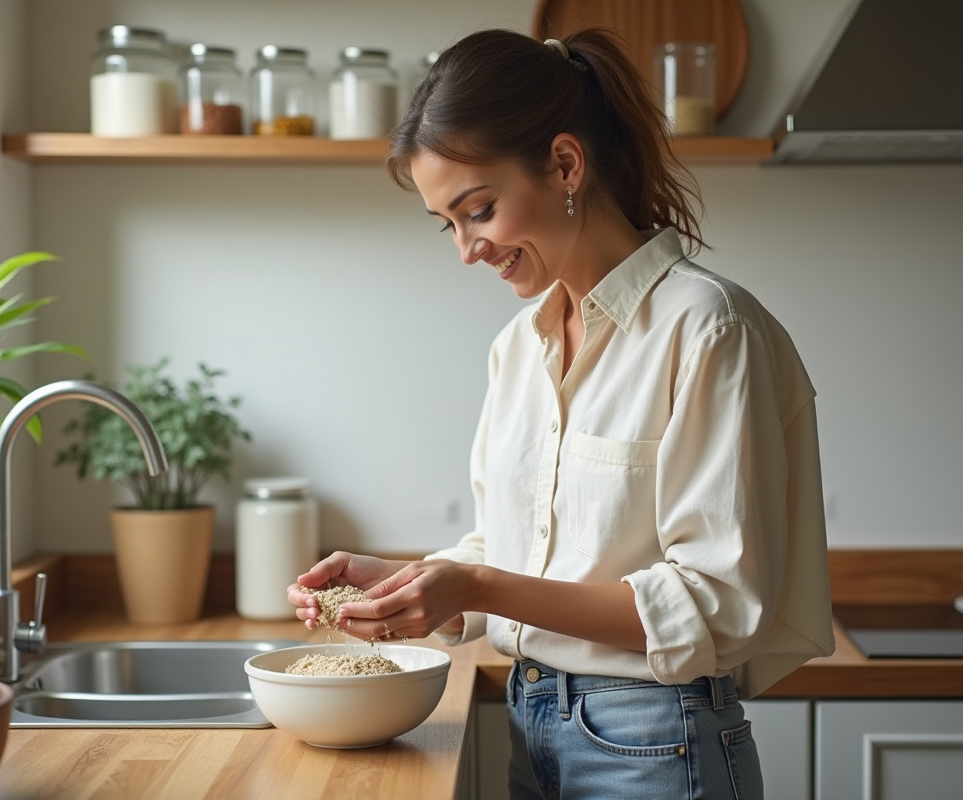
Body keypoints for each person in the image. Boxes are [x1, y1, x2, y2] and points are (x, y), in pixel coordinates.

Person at [288, 27, 834, 800]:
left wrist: (473, 585)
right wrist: (406, 583)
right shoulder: (519, 348)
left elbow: (715, 603)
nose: (466, 248)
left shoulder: (709, 328)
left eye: (478, 210)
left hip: (654, 740)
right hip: (534, 722)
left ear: (566, 165)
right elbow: (517, 546)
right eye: (448, 223)